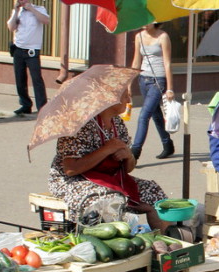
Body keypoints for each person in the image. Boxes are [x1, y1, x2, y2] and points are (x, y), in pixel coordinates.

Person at [48, 87, 169, 232]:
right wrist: (106, 149)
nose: (129, 100)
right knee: (109, 199)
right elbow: (70, 169)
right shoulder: (79, 125)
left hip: (111, 178)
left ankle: (165, 241)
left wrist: (128, 156)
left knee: (154, 192)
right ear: (110, 99)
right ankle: (115, 243)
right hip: (73, 181)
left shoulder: (117, 123)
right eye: (125, 96)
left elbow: (128, 168)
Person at [130, 22, 175, 161]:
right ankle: (167, 144)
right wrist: (128, 84)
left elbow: (167, 63)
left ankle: (134, 152)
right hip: (143, 79)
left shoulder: (163, 36)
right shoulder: (139, 36)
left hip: (158, 80)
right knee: (156, 114)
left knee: (144, 115)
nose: (144, 23)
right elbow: (136, 62)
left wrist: (170, 88)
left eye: (146, 20)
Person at [7, 0, 50, 116]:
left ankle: (42, 107)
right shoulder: (17, 11)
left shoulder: (39, 9)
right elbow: (11, 27)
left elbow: (46, 20)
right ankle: (25, 104)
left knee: (37, 79)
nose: (22, 1)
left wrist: (31, 9)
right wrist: (16, 11)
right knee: (20, 79)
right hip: (18, 49)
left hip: (32, 50)